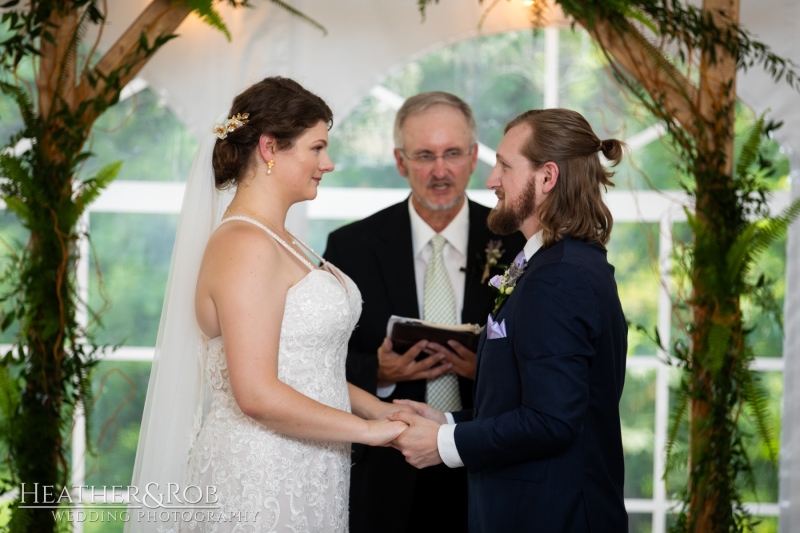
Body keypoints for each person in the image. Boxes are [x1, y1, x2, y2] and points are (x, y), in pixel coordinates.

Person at [126, 77, 407, 533]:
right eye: (317, 148)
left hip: (308, 466)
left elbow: (306, 368)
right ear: (270, 147)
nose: (328, 163)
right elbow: (255, 394)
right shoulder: (244, 244)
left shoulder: (281, 240)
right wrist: (369, 433)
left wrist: (378, 409)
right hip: (259, 476)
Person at [389, 108, 629, 532]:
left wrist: (444, 444)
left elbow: (552, 421)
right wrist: (443, 420)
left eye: (504, 165)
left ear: (547, 177)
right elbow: (530, 401)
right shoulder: (553, 264)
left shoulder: (561, 276)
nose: (491, 180)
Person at [323, 92, 525, 533]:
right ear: (400, 161)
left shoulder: (519, 246)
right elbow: (317, 362)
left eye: (452, 153)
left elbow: (543, 364)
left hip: (489, 471)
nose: (440, 170)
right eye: (424, 155)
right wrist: (376, 370)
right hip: (385, 476)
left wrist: (485, 369)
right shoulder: (350, 248)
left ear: (473, 157)